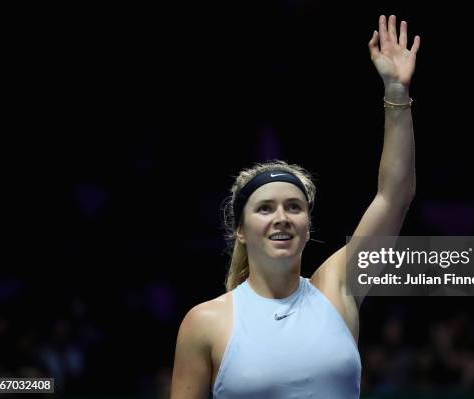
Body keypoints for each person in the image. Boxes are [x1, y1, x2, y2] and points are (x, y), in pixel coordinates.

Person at [170, 14, 420, 399]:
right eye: (265, 208)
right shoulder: (205, 322)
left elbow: (394, 196)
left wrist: (396, 94)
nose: (282, 218)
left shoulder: (337, 289)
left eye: (293, 207)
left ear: (307, 224)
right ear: (240, 229)